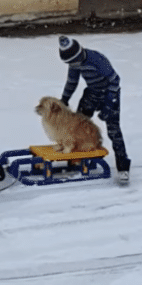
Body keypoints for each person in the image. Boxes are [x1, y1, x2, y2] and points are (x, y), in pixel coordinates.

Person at [58, 36, 131, 184]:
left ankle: (123, 168)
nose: (73, 64)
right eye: (69, 62)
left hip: (110, 92)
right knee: (77, 125)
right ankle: (76, 159)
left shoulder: (96, 59)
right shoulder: (74, 63)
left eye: (73, 61)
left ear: (80, 53)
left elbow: (115, 80)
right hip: (92, 92)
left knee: (113, 130)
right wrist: (64, 100)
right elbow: (72, 82)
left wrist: (109, 104)